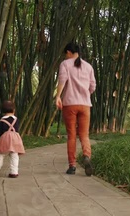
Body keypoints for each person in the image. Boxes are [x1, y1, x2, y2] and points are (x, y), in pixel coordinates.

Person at [55, 42, 96, 176]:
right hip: (85, 105)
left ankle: (72, 166)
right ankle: (86, 156)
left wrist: (58, 96)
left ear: (68, 52)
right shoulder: (88, 66)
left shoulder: (65, 64)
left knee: (71, 135)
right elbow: (92, 86)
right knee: (84, 135)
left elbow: (62, 80)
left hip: (70, 104)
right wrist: (84, 94)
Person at [0, 100, 25, 178]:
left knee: (1, 152)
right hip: (15, 138)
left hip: (5, 138)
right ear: (14, 110)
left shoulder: (1, 121)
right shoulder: (16, 120)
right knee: (14, 155)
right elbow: (17, 129)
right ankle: (14, 172)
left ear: (2, 111)